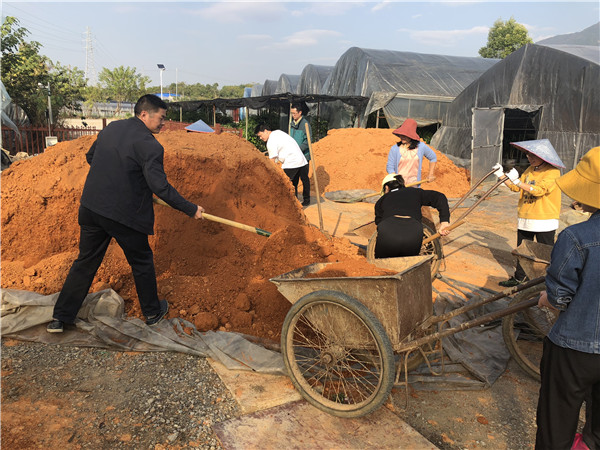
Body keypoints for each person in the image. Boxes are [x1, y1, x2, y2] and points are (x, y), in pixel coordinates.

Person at [47, 95, 204, 333]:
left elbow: (92, 157)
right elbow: (160, 187)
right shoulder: (150, 145)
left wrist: (118, 178)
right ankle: (152, 312)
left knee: (85, 262)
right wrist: (191, 209)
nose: (163, 123)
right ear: (144, 114)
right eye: (161, 118)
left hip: (91, 207)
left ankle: (60, 318)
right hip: (123, 215)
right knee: (141, 261)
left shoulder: (113, 128)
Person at [534, 146, 600, 450]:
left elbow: (560, 299)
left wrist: (546, 298)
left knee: (556, 423)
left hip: (575, 347)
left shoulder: (576, 238)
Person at [495, 139, 565, 287]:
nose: (530, 158)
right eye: (528, 155)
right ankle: (520, 278)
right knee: (523, 250)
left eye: (533, 155)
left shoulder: (552, 172)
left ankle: (548, 281)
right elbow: (516, 188)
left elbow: (539, 190)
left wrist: (519, 182)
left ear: (544, 156)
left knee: (545, 252)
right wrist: (501, 176)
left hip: (544, 219)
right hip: (526, 218)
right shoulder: (529, 171)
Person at [374, 173, 450, 259]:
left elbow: (378, 223)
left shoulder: (381, 200)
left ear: (387, 187)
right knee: (409, 263)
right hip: (413, 233)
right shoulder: (415, 192)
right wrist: (444, 222)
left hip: (388, 233)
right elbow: (440, 197)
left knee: (380, 264)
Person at [255, 123, 309, 205]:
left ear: (265, 131)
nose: (261, 138)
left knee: (285, 184)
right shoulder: (279, 132)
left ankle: (290, 204)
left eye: (260, 135)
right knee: (295, 183)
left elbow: (272, 161)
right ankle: (302, 201)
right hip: (301, 160)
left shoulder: (271, 142)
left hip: (291, 162)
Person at [386, 118, 437, 186]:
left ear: (411, 135)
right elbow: (390, 167)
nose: (402, 137)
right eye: (401, 134)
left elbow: (433, 157)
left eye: (405, 135)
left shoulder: (421, 146)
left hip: (414, 185)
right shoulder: (395, 149)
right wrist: (397, 181)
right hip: (399, 186)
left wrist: (430, 174)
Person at [289, 103, 311, 206]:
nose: (293, 115)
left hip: (304, 156)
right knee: (294, 179)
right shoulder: (291, 124)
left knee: (304, 178)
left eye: (294, 113)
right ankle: (294, 199)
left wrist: (297, 149)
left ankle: (307, 199)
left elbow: (308, 141)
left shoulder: (305, 125)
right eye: (292, 113)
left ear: (300, 112)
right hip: (294, 157)